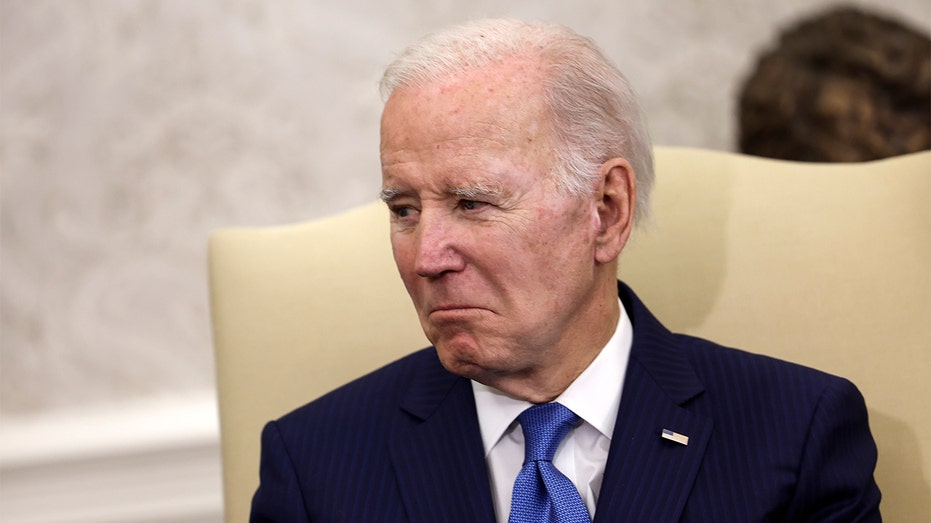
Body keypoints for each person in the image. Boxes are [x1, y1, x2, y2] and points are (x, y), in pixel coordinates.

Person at [251, 19, 881, 522]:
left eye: (472, 203)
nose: (426, 256)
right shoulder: (314, 467)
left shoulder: (795, 434)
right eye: (405, 209)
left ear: (606, 212)